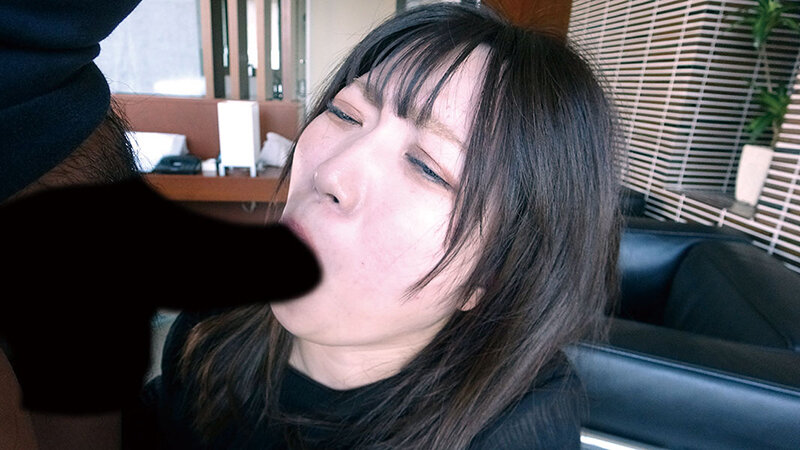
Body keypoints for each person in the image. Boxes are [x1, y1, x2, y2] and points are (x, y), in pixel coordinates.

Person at [143, 2, 621, 449]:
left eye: (428, 167)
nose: (330, 172)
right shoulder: (214, 321)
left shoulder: (517, 426)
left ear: (492, 275)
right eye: (345, 113)